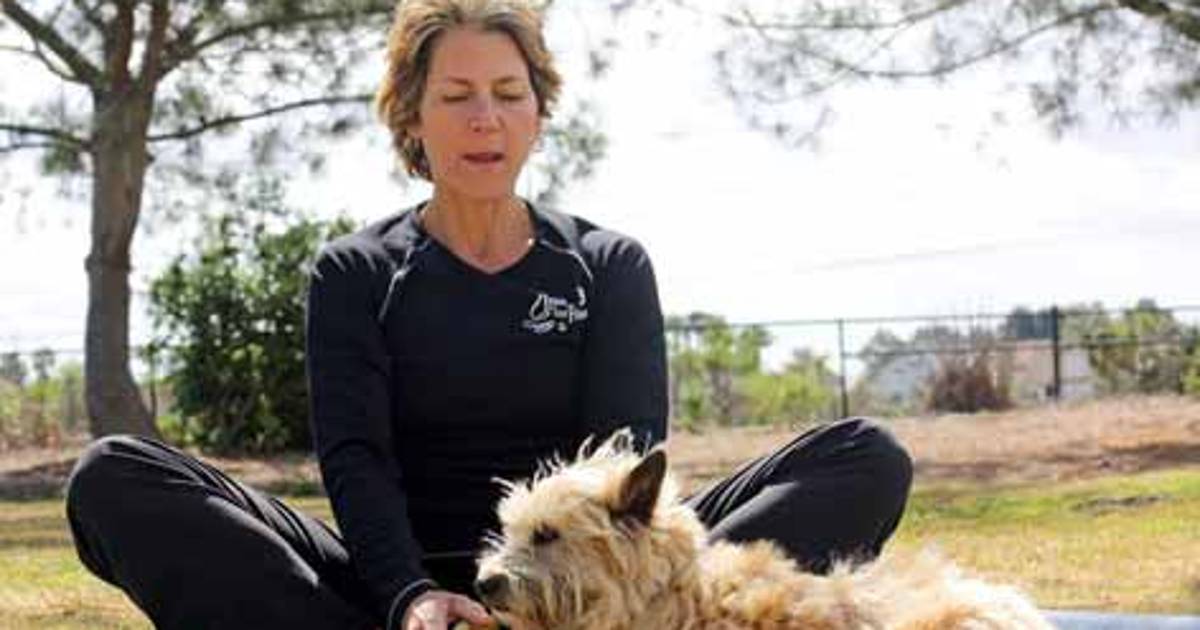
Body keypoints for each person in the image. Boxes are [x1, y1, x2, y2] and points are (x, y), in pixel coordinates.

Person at [63, 1, 912, 629]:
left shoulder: (606, 265)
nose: (485, 118)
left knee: (865, 457)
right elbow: (356, 463)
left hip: (586, 586)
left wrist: (561, 594)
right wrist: (408, 595)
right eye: (457, 95)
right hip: (384, 585)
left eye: (509, 93)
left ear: (539, 114)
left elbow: (622, 478)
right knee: (113, 478)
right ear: (412, 116)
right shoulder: (356, 271)